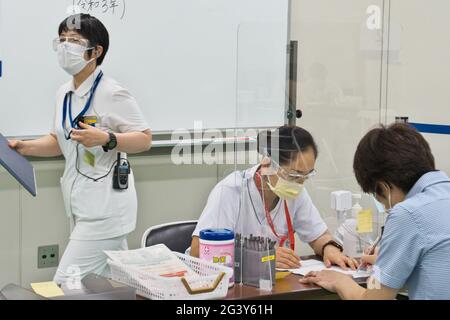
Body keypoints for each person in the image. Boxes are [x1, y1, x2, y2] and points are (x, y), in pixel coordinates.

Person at [9, 14, 152, 285]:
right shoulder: (64, 92)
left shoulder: (112, 92)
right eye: (61, 40)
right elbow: (59, 141)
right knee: (113, 283)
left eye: (73, 41)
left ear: (96, 51)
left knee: (65, 283)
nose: (65, 47)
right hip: (79, 204)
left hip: (105, 209)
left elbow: (144, 139)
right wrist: (23, 147)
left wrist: (107, 138)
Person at [300, 123, 450, 300]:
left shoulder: (407, 213)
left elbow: (373, 297)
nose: (386, 208)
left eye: (378, 199)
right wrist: (387, 262)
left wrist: (341, 281)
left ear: (383, 187)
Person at [190, 125, 358, 270]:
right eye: (293, 175)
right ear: (268, 163)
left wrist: (330, 248)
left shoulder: (295, 192)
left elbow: (318, 235)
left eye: (306, 176)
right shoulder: (230, 191)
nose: (299, 183)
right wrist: (261, 257)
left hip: (270, 285)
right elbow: (199, 251)